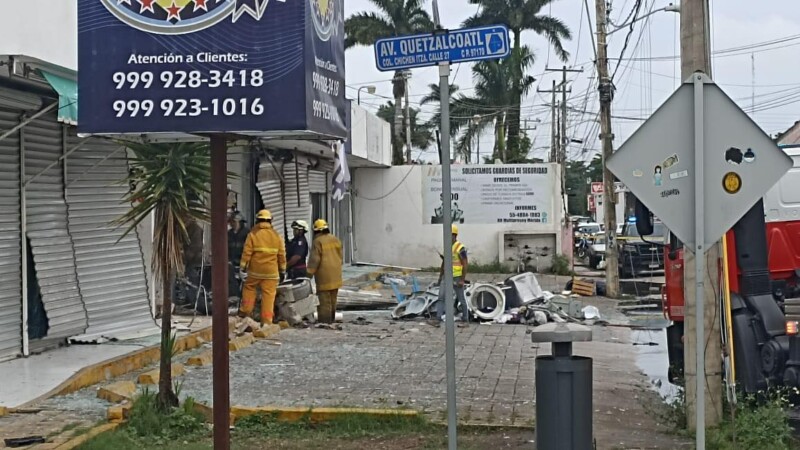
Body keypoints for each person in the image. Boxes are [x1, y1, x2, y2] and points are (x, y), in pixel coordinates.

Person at [238, 209, 286, 325]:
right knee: (269, 296)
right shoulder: (276, 236)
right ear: (270, 221)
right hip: (271, 272)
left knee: (249, 288)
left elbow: (247, 252)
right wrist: (283, 270)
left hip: (255, 271)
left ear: (257, 220)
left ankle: (246, 312)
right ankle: (267, 321)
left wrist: (242, 267)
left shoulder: (253, 234)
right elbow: (281, 255)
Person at [307, 219, 343, 324]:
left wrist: (309, 273)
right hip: (336, 274)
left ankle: (325, 321)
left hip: (324, 276)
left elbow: (315, 260)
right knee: (333, 299)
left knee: (324, 300)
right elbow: (340, 256)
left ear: (316, 231)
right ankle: (332, 318)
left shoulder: (318, 241)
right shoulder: (335, 239)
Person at [435, 224, 470, 325]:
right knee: (441, 297)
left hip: (457, 277)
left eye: (449, 235)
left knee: (461, 298)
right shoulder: (447, 246)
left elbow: (465, 264)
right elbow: (444, 262)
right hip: (446, 276)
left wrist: (462, 279)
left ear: (454, 235)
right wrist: (440, 276)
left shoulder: (460, 248)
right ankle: (438, 318)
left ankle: (465, 319)